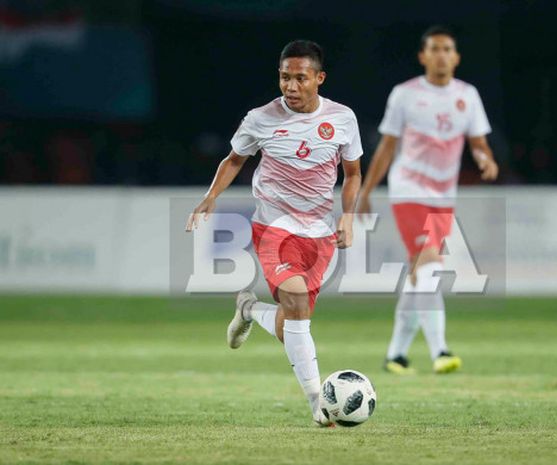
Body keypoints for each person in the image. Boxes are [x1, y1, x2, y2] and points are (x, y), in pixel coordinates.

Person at [185, 40, 363, 426]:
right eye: (285, 77)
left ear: (319, 78)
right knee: (297, 305)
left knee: (293, 323)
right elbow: (234, 160)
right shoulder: (260, 118)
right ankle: (319, 402)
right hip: (274, 227)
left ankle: (249, 309)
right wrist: (210, 197)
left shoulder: (344, 119)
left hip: (318, 233)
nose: (291, 87)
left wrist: (348, 216)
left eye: (300, 78)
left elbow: (353, 174)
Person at [358, 25, 498, 375]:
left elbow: (478, 143)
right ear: (423, 56)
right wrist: (365, 192)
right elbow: (387, 147)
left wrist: (485, 159)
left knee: (420, 274)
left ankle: (396, 355)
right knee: (431, 264)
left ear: (457, 57)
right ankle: (440, 351)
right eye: (434, 49)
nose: (441, 55)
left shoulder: (468, 95)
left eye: (447, 49)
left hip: (442, 196)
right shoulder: (404, 95)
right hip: (408, 191)